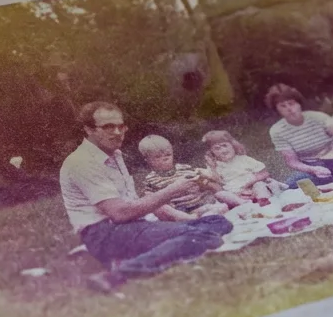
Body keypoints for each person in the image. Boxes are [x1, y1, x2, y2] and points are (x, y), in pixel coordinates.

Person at [60, 102, 232, 288]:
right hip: (105, 234)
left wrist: (174, 218)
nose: (117, 132)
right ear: (88, 129)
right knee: (203, 236)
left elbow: (134, 203)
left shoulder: (114, 155)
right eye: (108, 126)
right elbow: (119, 213)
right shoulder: (82, 162)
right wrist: (174, 189)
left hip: (130, 226)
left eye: (121, 126)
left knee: (218, 222)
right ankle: (117, 275)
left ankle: (143, 253)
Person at [264, 83, 333, 187]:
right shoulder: (277, 131)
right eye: (283, 106)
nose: (289, 109)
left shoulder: (319, 118)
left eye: (291, 103)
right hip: (311, 166)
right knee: (291, 185)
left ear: (299, 104)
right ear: (277, 109)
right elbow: (292, 161)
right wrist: (313, 169)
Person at [137, 134, 232, 218]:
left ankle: (240, 202)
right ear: (148, 160)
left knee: (220, 197)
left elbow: (201, 181)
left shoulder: (184, 168)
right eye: (158, 157)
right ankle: (193, 218)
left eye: (168, 154)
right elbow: (151, 199)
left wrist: (204, 182)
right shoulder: (150, 180)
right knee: (163, 208)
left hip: (199, 201)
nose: (165, 158)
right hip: (180, 209)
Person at [201, 129, 286, 202]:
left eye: (225, 146)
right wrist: (212, 167)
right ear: (212, 152)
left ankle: (266, 203)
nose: (223, 150)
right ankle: (243, 203)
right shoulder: (216, 166)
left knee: (259, 186)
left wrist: (248, 185)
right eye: (217, 148)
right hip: (235, 194)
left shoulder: (243, 159)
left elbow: (265, 173)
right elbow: (217, 182)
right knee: (221, 194)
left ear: (233, 145)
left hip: (252, 186)